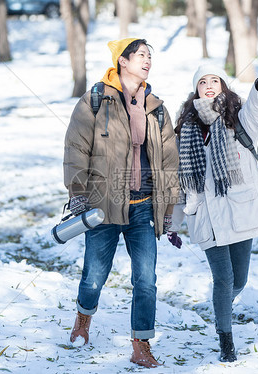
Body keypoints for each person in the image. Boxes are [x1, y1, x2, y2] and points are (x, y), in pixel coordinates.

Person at [62, 38, 180, 368]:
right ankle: (83, 321)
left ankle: (141, 343)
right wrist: (78, 193)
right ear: (122, 62)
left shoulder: (156, 107)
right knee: (94, 276)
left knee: (146, 279)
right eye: (141, 55)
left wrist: (168, 204)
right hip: (104, 205)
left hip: (143, 206)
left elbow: (169, 159)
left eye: (150, 56)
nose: (147, 61)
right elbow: (75, 149)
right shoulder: (95, 101)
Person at [171, 57, 258, 362]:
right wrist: (173, 224)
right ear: (195, 90)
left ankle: (222, 305)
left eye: (213, 81)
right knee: (223, 279)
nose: (208, 87)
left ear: (223, 86)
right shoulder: (185, 129)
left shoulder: (239, 120)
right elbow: (180, 182)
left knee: (239, 281)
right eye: (202, 82)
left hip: (240, 214)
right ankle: (226, 339)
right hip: (205, 218)